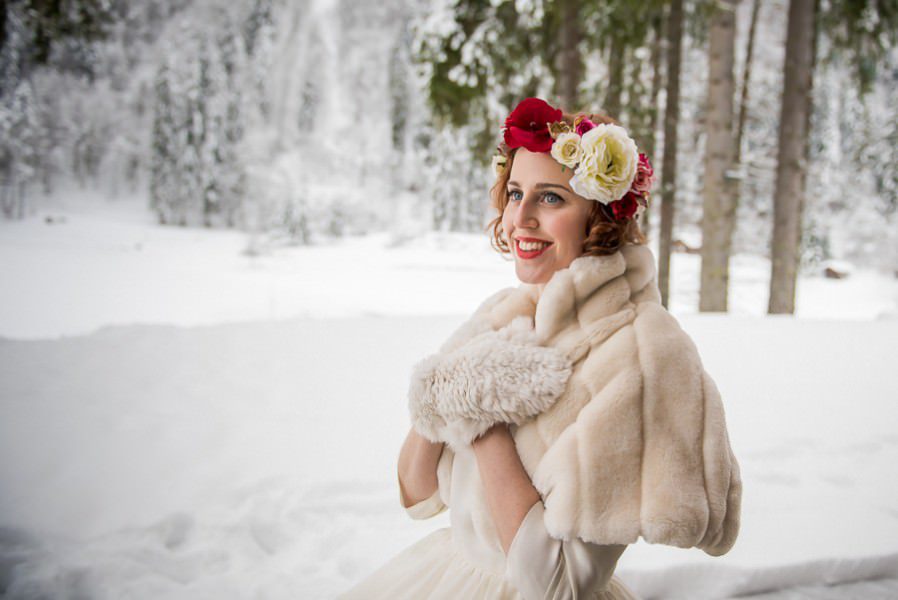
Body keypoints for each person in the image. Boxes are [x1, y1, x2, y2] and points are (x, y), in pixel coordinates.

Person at [338, 97, 742, 599]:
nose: (520, 218)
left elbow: (553, 586)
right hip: (449, 577)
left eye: (550, 198)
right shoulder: (504, 314)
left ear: (599, 214)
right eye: (514, 193)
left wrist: (484, 419)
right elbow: (417, 495)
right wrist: (437, 394)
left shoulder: (643, 355)